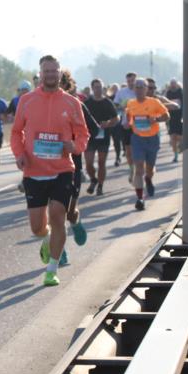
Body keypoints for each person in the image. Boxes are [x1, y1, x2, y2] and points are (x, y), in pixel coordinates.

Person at [10, 56, 89, 287]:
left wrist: (75, 146)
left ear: (60, 74)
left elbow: (83, 133)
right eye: (47, 71)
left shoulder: (71, 103)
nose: (51, 75)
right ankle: (46, 239)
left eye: (54, 71)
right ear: (40, 73)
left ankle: (52, 269)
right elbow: (16, 132)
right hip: (34, 171)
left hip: (62, 169)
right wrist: (19, 154)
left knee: (57, 215)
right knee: (37, 227)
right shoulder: (26, 101)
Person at [59, 69, 95, 258]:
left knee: (69, 211)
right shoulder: (40, 106)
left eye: (60, 83)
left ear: (66, 85)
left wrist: (76, 143)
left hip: (72, 165)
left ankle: (75, 221)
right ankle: (59, 251)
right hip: (47, 165)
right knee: (55, 210)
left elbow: (93, 130)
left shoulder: (76, 105)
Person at [123, 78, 170, 211]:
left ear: (146, 89)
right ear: (134, 89)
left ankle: (148, 179)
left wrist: (156, 119)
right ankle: (140, 198)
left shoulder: (154, 102)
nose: (139, 90)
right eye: (137, 87)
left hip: (152, 139)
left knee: (149, 168)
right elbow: (129, 118)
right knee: (138, 168)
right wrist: (127, 124)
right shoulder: (130, 103)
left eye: (141, 87)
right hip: (137, 139)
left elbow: (167, 115)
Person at [83, 78, 118, 196]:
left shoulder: (107, 102)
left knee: (101, 162)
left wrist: (108, 123)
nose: (98, 89)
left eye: (100, 87)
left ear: (103, 88)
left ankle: (100, 186)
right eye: (96, 87)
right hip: (90, 137)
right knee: (88, 163)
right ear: (92, 88)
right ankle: (93, 179)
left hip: (104, 136)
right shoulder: (87, 103)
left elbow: (116, 118)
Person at [114, 72, 138, 179]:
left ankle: (139, 168)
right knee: (128, 151)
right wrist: (122, 107)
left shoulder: (140, 91)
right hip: (126, 124)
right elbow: (115, 106)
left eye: (133, 80)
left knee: (138, 148)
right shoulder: (121, 92)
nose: (131, 83)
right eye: (129, 81)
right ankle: (131, 168)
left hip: (140, 124)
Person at [164, 78, 184, 162]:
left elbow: (185, 103)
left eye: (174, 83)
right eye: (171, 83)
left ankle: (181, 146)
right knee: (173, 138)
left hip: (180, 117)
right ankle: (175, 155)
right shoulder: (168, 93)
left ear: (176, 84)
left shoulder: (181, 92)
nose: (173, 85)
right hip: (171, 118)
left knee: (180, 137)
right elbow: (165, 104)